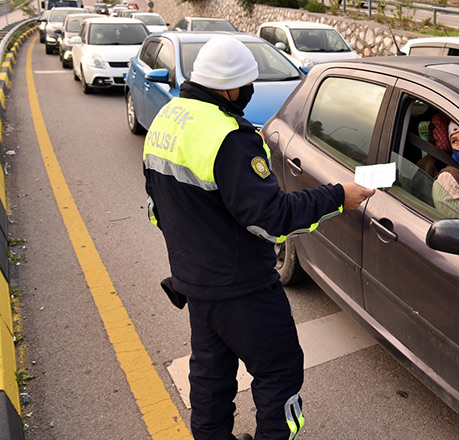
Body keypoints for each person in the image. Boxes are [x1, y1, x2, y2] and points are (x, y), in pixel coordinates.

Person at [143, 35, 375, 440]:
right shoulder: (230, 136)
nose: (248, 93)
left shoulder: (168, 118)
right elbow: (273, 219)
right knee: (280, 371)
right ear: (231, 87)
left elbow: (157, 209)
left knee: (211, 376)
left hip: (195, 281)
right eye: (246, 85)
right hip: (242, 286)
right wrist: (340, 196)